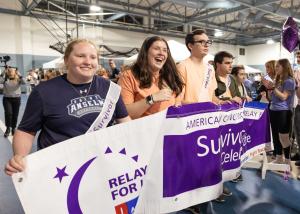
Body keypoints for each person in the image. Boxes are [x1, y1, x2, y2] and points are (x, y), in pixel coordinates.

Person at [5, 39, 131, 176]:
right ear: (66, 60)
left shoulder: (110, 89)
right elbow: (26, 131)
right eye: (81, 56)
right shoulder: (44, 91)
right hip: (60, 172)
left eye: (93, 57)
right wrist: (19, 157)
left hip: (101, 167)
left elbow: (125, 124)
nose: (88, 61)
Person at [175, 29, 217, 214]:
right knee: (189, 166)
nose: (206, 44)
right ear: (190, 45)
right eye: (201, 42)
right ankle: (191, 202)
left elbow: (212, 97)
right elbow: (177, 101)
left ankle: (201, 201)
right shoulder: (182, 67)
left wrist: (224, 102)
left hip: (208, 124)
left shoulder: (210, 68)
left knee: (206, 166)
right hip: (189, 125)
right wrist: (201, 107)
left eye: (208, 41)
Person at [118, 36, 184, 119]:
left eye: (165, 50)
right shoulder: (129, 76)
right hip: (143, 130)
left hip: (168, 129)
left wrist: (177, 104)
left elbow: (178, 99)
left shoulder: (170, 76)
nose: (161, 53)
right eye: (157, 48)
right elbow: (124, 114)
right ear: (146, 52)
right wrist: (152, 99)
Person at [268, 59, 295, 165]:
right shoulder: (278, 80)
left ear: (284, 67)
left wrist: (274, 88)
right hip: (273, 109)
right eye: (275, 66)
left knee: (283, 136)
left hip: (283, 111)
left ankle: (287, 159)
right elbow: (271, 97)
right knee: (275, 135)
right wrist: (270, 89)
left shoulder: (289, 81)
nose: (276, 68)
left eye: (278, 66)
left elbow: (284, 97)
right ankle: (279, 157)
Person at [0, 67, 25, 137]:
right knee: (8, 113)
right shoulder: (5, 79)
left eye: (12, 71)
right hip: (7, 99)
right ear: (7, 72)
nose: (11, 71)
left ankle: (13, 128)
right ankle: (8, 128)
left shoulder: (18, 79)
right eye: (9, 71)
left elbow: (24, 82)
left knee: (15, 115)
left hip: (16, 99)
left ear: (15, 72)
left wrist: (19, 74)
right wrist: (3, 72)